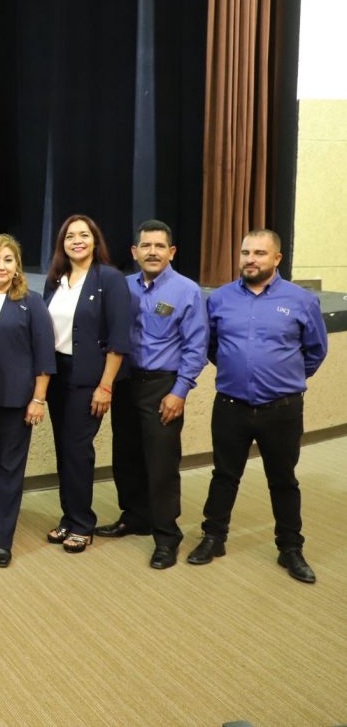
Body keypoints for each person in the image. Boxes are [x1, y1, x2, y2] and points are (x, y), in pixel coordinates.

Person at [187, 230, 328, 583]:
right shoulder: (219, 299)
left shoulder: (301, 300)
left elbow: (316, 351)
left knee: (283, 480)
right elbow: (212, 346)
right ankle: (213, 537)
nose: (251, 259)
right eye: (246, 252)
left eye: (260, 253)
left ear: (277, 258)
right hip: (230, 406)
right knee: (224, 475)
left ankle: (290, 548)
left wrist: (284, 376)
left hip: (282, 409)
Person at [100, 219, 207, 569]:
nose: (152, 252)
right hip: (125, 382)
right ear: (135, 252)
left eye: (160, 246)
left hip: (163, 386)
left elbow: (196, 347)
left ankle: (166, 537)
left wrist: (180, 392)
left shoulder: (186, 290)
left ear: (171, 252)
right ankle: (135, 517)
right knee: (125, 455)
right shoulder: (122, 286)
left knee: (161, 465)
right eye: (146, 246)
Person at [0, 235, 55, 567]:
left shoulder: (31, 303)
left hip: (14, 401)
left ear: (17, 266)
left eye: (8, 259)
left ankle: (2, 539)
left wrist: (38, 399)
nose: (1, 266)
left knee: (8, 470)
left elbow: (44, 357)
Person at [43, 214, 131, 555]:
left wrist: (105, 386)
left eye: (83, 235)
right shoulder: (56, 280)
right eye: (70, 236)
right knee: (64, 450)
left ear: (95, 240)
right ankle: (69, 517)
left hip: (90, 378)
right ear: (62, 244)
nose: (76, 241)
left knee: (78, 451)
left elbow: (119, 339)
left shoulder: (109, 279)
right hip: (57, 376)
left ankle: (82, 524)